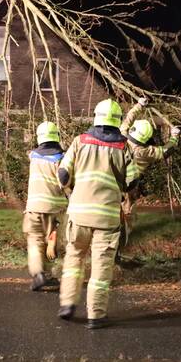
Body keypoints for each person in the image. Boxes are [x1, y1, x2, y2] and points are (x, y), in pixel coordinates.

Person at [57, 98, 138, 329]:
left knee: (74, 259)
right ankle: (96, 315)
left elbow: (63, 174)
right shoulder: (124, 147)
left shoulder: (79, 141)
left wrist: (71, 189)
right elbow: (133, 181)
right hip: (107, 217)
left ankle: (67, 304)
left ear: (96, 117)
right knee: (102, 267)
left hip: (79, 214)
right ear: (118, 121)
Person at [117, 97, 180, 256]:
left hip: (115, 181)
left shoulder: (122, 135)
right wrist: (174, 137)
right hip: (130, 186)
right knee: (127, 214)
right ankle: (122, 245)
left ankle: (115, 243)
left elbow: (128, 119)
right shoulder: (145, 151)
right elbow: (165, 151)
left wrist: (138, 106)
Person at [23, 120, 66, 291]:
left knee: (34, 241)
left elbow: (31, 152)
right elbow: (66, 181)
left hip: (33, 207)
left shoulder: (33, 156)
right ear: (56, 137)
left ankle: (39, 274)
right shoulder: (61, 158)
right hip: (54, 209)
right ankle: (46, 272)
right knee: (49, 240)